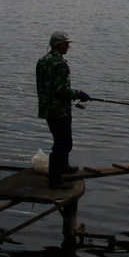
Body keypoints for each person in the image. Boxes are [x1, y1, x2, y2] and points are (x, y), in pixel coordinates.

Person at [36, 31, 91, 190]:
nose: (68, 46)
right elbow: (61, 90)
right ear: (58, 44)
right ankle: (55, 180)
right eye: (66, 43)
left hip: (46, 108)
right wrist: (78, 94)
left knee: (60, 140)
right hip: (59, 110)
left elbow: (46, 87)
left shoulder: (42, 61)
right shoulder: (60, 64)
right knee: (63, 144)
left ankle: (64, 166)